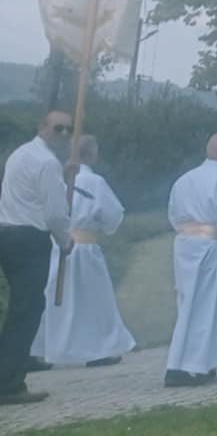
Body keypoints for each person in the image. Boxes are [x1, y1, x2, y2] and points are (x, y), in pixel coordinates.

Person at [30, 134, 135, 369]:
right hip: (83, 250)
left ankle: (43, 351)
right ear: (92, 154)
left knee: (55, 299)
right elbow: (112, 216)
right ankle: (98, 350)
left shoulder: (55, 178)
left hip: (58, 248)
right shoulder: (93, 182)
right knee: (92, 300)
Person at [165, 134, 217, 387]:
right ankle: (190, 365)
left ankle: (201, 361)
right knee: (206, 305)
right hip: (210, 246)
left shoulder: (184, 179)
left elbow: (173, 214)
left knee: (188, 303)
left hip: (185, 245)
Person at [0, 111, 73, 404]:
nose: (64, 134)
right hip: (29, 238)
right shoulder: (46, 162)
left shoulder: (20, 154)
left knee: (21, 308)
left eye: (69, 130)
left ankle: (13, 366)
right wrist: (65, 240)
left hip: (7, 233)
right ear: (42, 127)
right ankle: (9, 384)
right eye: (59, 128)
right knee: (27, 309)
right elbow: (54, 213)